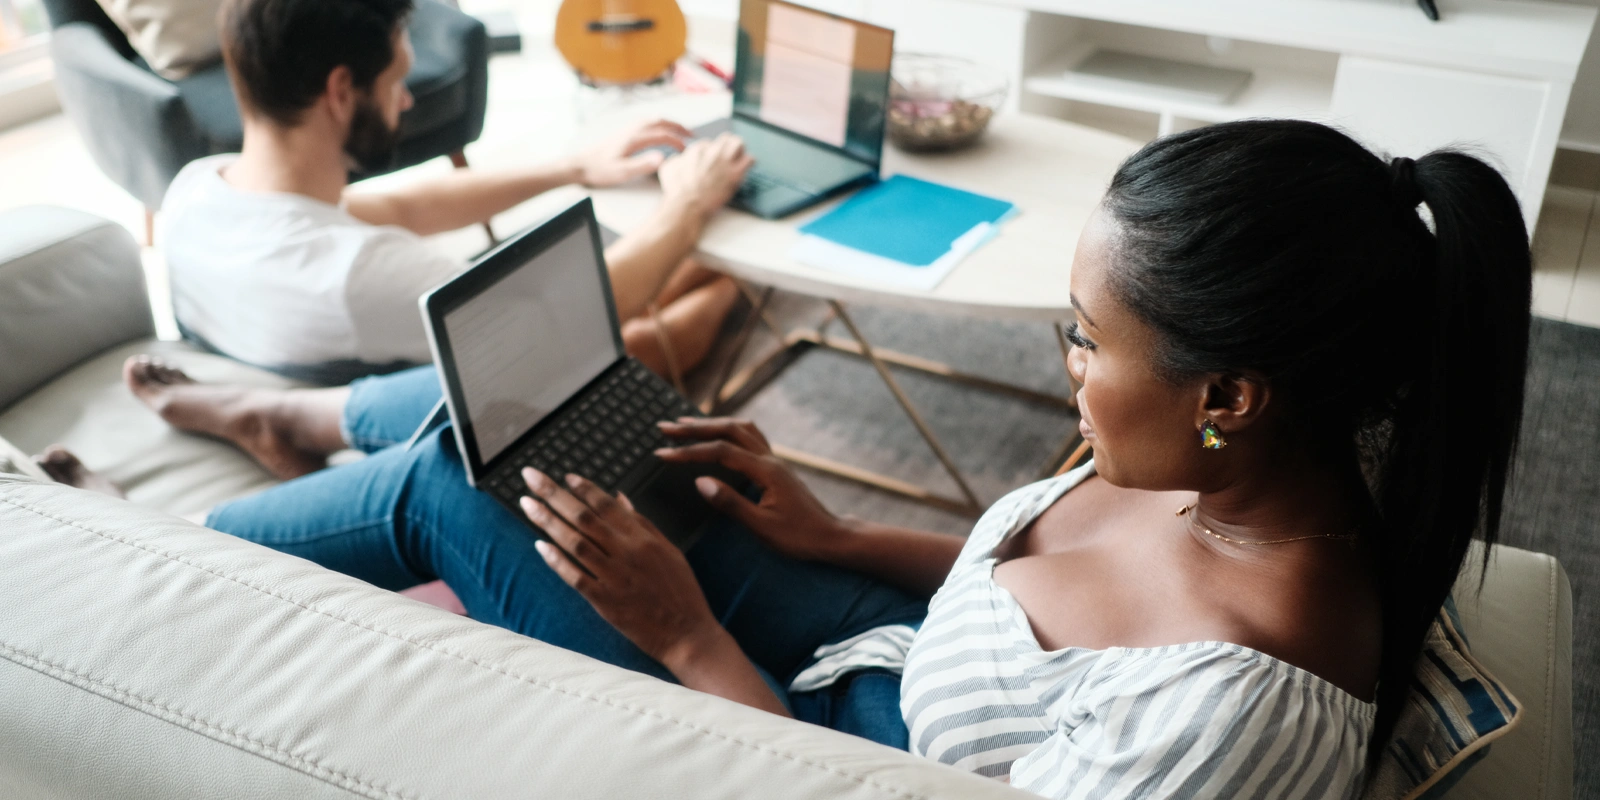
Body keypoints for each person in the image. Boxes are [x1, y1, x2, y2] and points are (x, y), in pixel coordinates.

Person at [109, 119, 1530, 798]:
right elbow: (1052, 596)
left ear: (1228, 389)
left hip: (823, 741)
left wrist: (688, 643)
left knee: (456, 483)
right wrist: (831, 534)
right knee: (591, 418)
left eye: (1088, 342)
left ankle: (142, 555)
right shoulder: (1234, 468)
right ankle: (302, 422)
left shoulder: (1232, 719)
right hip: (892, 647)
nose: (1070, 369)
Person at [162, 0, 751, 385]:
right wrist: (690, 204)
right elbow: (591, 304)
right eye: (396, 82)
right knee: (643, 334)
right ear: (341, 91)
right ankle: (739, 287)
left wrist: (575, 166)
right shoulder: (361, 274)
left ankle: (729, 277)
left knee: (669, 255)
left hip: (367, 353)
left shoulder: (197, 193)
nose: (408, 100)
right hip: (457, 406)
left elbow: (403, 207)